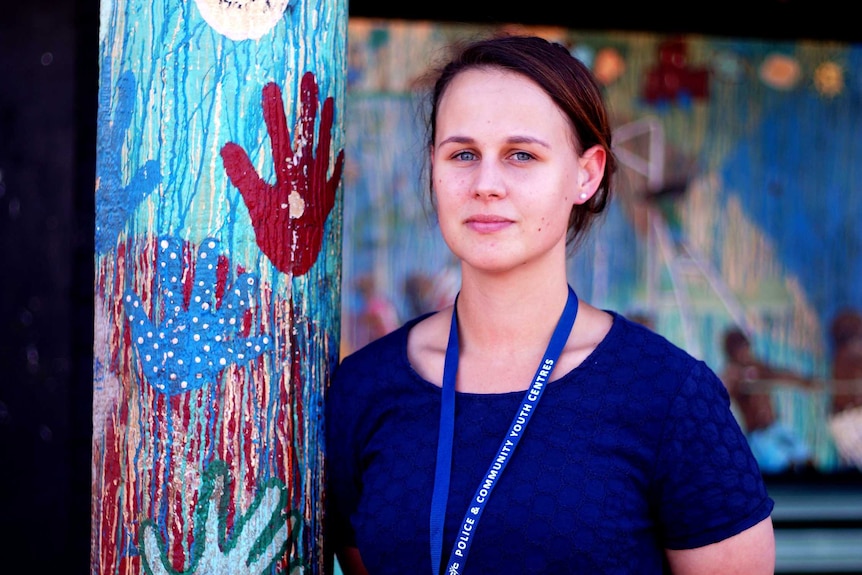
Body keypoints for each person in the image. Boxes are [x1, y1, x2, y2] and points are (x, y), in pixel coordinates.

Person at [326, 34, 775, 575]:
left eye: (521, 155)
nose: (486, 184)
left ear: (586, 174)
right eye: (463, 154)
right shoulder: (365, 388)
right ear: (434, 168)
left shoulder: (669, 397)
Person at [720, 327, 814, 474]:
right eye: (740, 349)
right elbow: (720, 392)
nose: (745, 352)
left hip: (776, 428)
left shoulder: (757, 367)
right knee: (783, 466)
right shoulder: (732, 374)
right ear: (732, 352)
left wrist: (803, 382)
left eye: (746, 347)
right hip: (758, 435)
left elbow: (779, 374)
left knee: (808, 460)